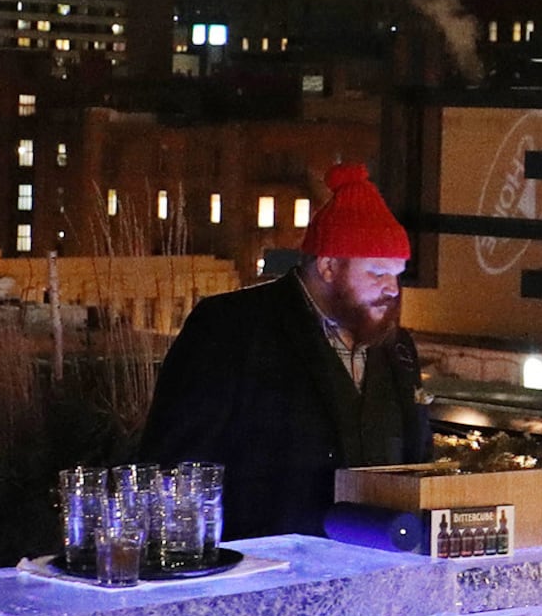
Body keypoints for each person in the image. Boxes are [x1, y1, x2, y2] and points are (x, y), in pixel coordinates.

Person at [138, 162, 430, 537]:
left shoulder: (397, 349)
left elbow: (418, 463)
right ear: (328, 266)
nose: (392, 288)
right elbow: (175, 466)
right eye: (377, 272)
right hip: (261, 571)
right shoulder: (231, 328)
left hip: (374, 570)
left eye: (397, 273)